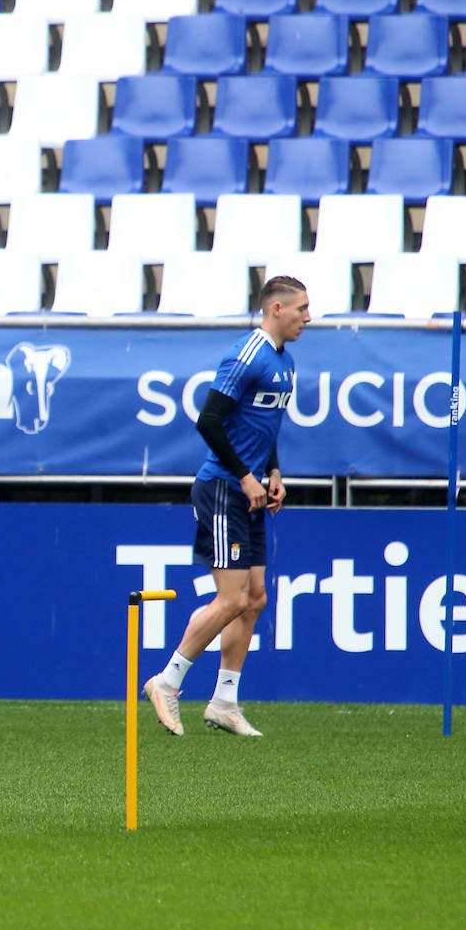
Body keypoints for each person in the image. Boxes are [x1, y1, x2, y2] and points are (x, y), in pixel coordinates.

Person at [143, 276, 310, 738]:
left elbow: (264, 427)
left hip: (251, 490)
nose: (308, 318)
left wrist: (273, 474)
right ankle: (167, 681)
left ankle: (224, 702)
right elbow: (209, 419)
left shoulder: (285, 361)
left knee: (255, 598)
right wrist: (245, 476)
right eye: (301, 308)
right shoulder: (246, 354)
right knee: (233, 597)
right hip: (222, 489)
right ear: (276, 308)